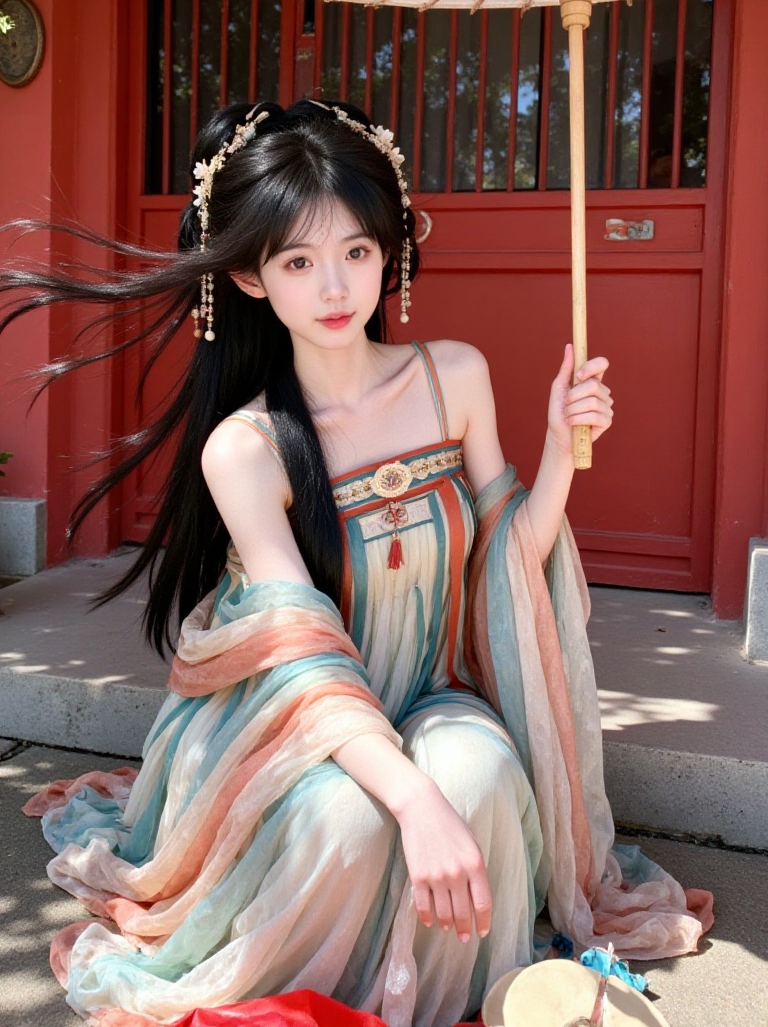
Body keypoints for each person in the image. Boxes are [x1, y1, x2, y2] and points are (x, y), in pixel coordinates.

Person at [5, 99, 711, 1027]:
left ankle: (467, 993)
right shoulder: (246, 448)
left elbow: (508, 571)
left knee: (486, 778)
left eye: (357, 252)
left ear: (389, 252)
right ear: (253, 278)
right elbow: (303, 658)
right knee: (347, 816)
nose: (335, 285)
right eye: (299, 261)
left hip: (430, 688)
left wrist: (555, 451)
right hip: (294, 716)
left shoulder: (452, 375)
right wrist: (411, 800)